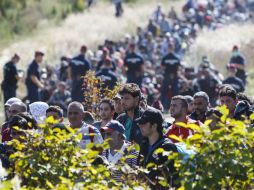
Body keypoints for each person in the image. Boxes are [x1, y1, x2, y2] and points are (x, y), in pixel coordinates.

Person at [136, 107, 178, 188]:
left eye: (144, 123)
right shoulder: (144, 145)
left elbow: (174, 178)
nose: (140, 125)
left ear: (154, 126)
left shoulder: (167, 147)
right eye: (140, 123)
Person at [160, 41, 181, 111]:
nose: (170, 48)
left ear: (173, 48)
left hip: (174, 77)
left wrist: (174, 74)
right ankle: (164, 107)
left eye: (171, 47)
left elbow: (178, 68)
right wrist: (168, 74)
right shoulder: (165, 58)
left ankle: (176, 107)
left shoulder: (176, 57)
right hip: (166, 76)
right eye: (169, 47)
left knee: (176, 92)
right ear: (168, 48)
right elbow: (162, 67)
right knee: (164, 92)